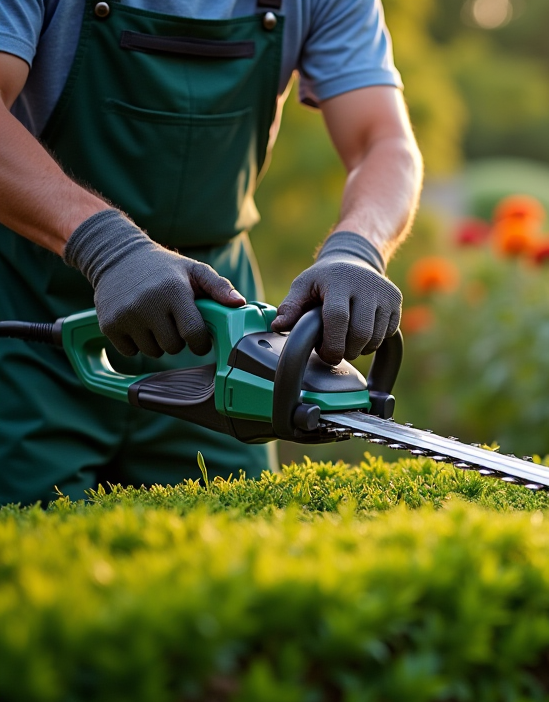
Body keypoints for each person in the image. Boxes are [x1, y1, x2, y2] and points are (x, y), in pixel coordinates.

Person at [0, 0, 422, 505]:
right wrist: (107, 246)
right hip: (29, 313)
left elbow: (384, 141)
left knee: (242, 544)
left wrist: (356, 250)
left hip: (219, 328)